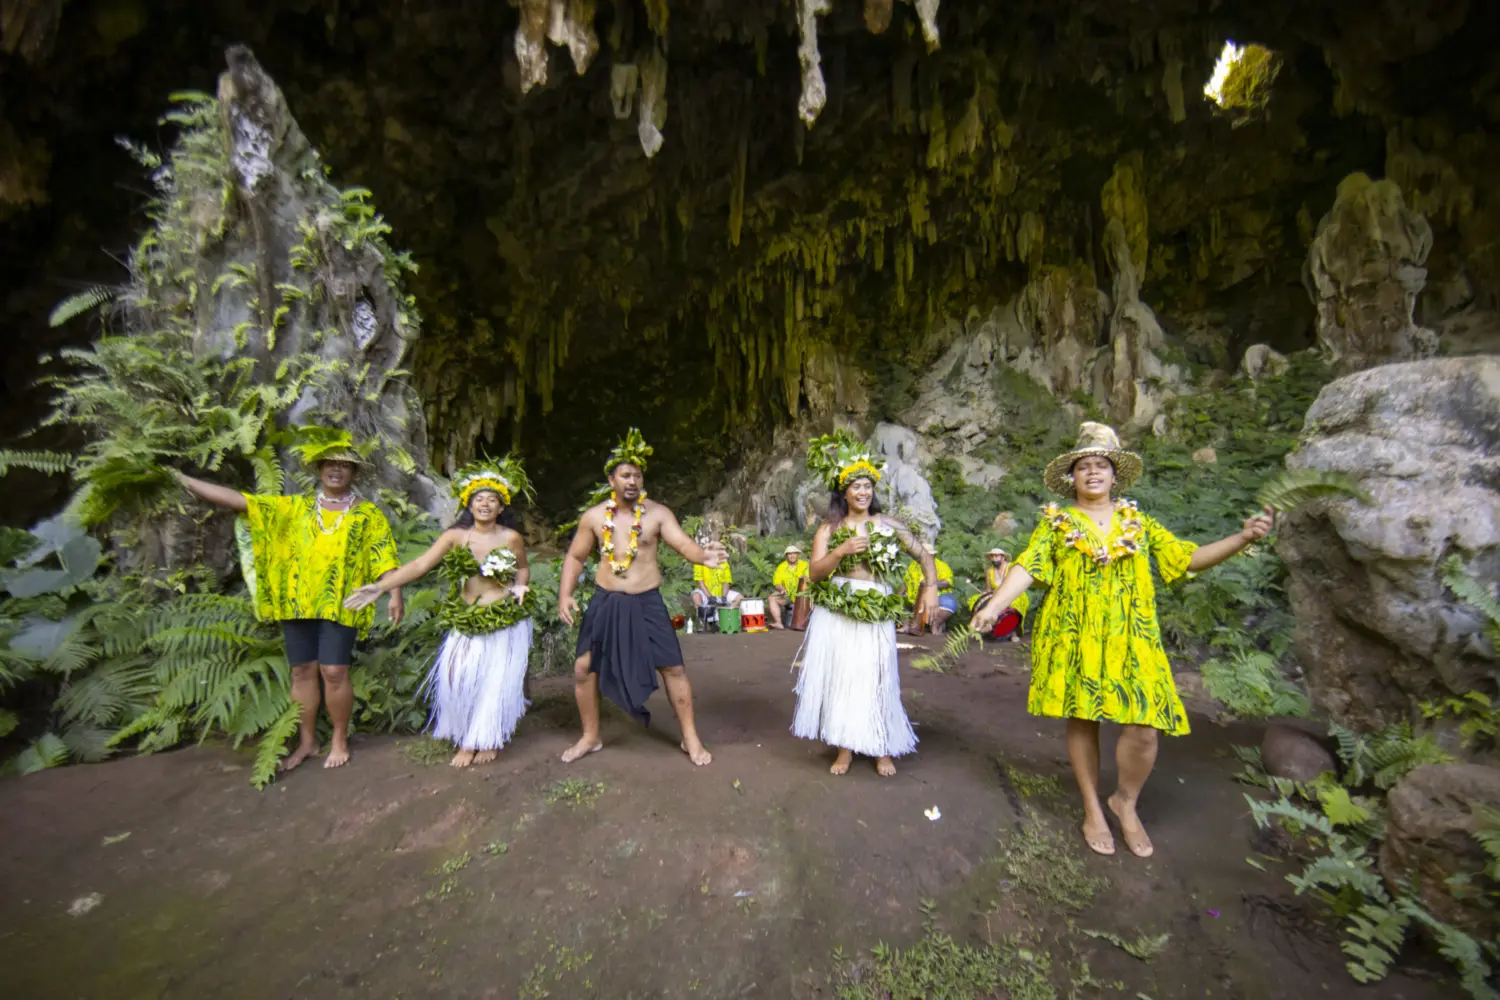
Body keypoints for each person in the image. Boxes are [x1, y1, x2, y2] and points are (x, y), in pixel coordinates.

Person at [971, 422, 1273, 858]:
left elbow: (1186, 559)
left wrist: (1242, 537)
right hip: (1074, 632)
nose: (1093, 472)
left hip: (1133, 637)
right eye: (1084, 467)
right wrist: (995, 606)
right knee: (1083, 718)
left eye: (1101, 465)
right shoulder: (1057, 525)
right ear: (1072, 478)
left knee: (1144, 729)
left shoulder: (1140, 523)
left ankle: (1124, 802)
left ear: (1115, 477)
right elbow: (1028, 568)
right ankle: (1093, 807)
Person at [171, 425, 402, 771]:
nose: (335, 469)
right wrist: (183, 480)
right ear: (319, 470)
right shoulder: (294, 508)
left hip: (343, 602)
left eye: (343, 464)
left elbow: (385, 557)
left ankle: (339, 737)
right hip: (297, 602)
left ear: (353, 472)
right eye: (329, 463)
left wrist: (394, 593)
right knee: (302, 671)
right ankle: (307, 741)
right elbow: (241, 501)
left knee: (335, 670)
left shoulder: (368, 515)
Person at [345, 457, 534, 768]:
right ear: (468, 504)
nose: (485, 504)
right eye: (478, 499)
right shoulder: (455, 537)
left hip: (502, 617)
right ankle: (464, 735)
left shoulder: (511, 538)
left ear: (502, 507)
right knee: (457, 676)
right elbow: (419, 565)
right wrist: (381, 587)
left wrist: (520, 587)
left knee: (495, 680)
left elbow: (523, 569)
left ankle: (485, 738)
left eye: (492, 500)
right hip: (467, 617)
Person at [557, 429, 727, 767]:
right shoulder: (593, 517)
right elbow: (575, 558)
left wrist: (702, 556)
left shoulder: (658, 514)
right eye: (625, 474)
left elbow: (682, 544)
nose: (632, 481)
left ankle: (690, 738)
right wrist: (565, 594)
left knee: (674, 667)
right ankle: (590, 736)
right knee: (583, 669)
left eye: (637, 474)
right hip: (606, 601)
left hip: (647, 601)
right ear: (611, 479)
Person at [792, 430, 938, 777]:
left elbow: (922, 554)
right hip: (839, 609)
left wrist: (930, 586)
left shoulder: (887, 524)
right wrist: (841, 551)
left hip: (875, 609)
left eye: (867, 486)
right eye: (856, 486)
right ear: (843, 492)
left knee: (877, 674)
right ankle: (844, 747)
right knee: (844, 676)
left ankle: (880, 746)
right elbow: (813, 574)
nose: (863, 492)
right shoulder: (829, 530)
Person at [969, 547, 1027, 642]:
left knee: (1015, 603)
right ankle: (985, 627)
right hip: (995, 594)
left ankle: (1014, 632)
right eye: (992, 556)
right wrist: (985, 594)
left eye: (996, 556)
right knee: (974, 600)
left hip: (1014, 593)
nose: (994, 558)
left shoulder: (1011, 567)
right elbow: (988, 589)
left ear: (1003, 557)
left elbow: (1015, 584)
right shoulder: (989, 571)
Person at [902, 543, 956, 634]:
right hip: (914, 598)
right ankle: (907, 625)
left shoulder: (942, 566)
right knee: (900, 599)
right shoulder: (913, 566)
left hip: (937, 597)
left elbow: (947, 582)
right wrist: (898, 597)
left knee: (949, 602)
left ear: (933, 555)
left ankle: (935, 625)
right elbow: (905, 583)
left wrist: (930, 586)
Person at [767, 545, 810, 629]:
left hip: (805, 596)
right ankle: (778, 623)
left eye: (794, 553)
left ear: (798, 554)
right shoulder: (781, 567)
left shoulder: (805, 565)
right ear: (786, 556)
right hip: (788, 595)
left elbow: (810, 579)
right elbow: (777, 583)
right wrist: (782, 589)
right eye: (789, 554)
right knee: (771, 598)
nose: (792, 556)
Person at [691, 555, 742, 624]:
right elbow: (700, 582)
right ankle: (705, 622)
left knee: (740, 598)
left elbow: (726, 582)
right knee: (696, 596)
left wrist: (724, 596)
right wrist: (710, 597)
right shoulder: (699, 563)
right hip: (704, 592)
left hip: (721, 592)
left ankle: (726, 618)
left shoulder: (724, 563)